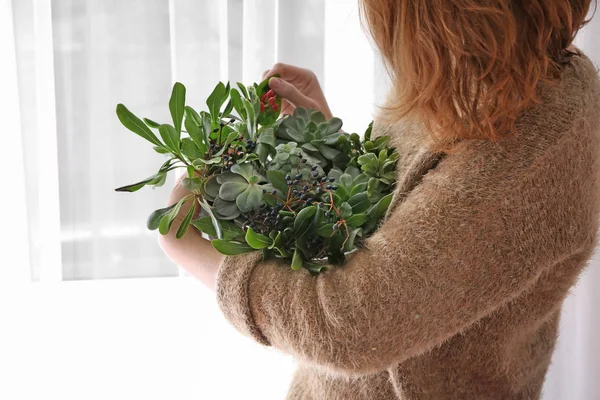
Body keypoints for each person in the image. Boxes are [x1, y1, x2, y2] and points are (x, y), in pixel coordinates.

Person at [159, 1, 600, 399]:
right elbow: (415, 224)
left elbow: (349, 324)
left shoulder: (527, 143)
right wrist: (333, 150)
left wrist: (193, 251)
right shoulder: (479, 62)